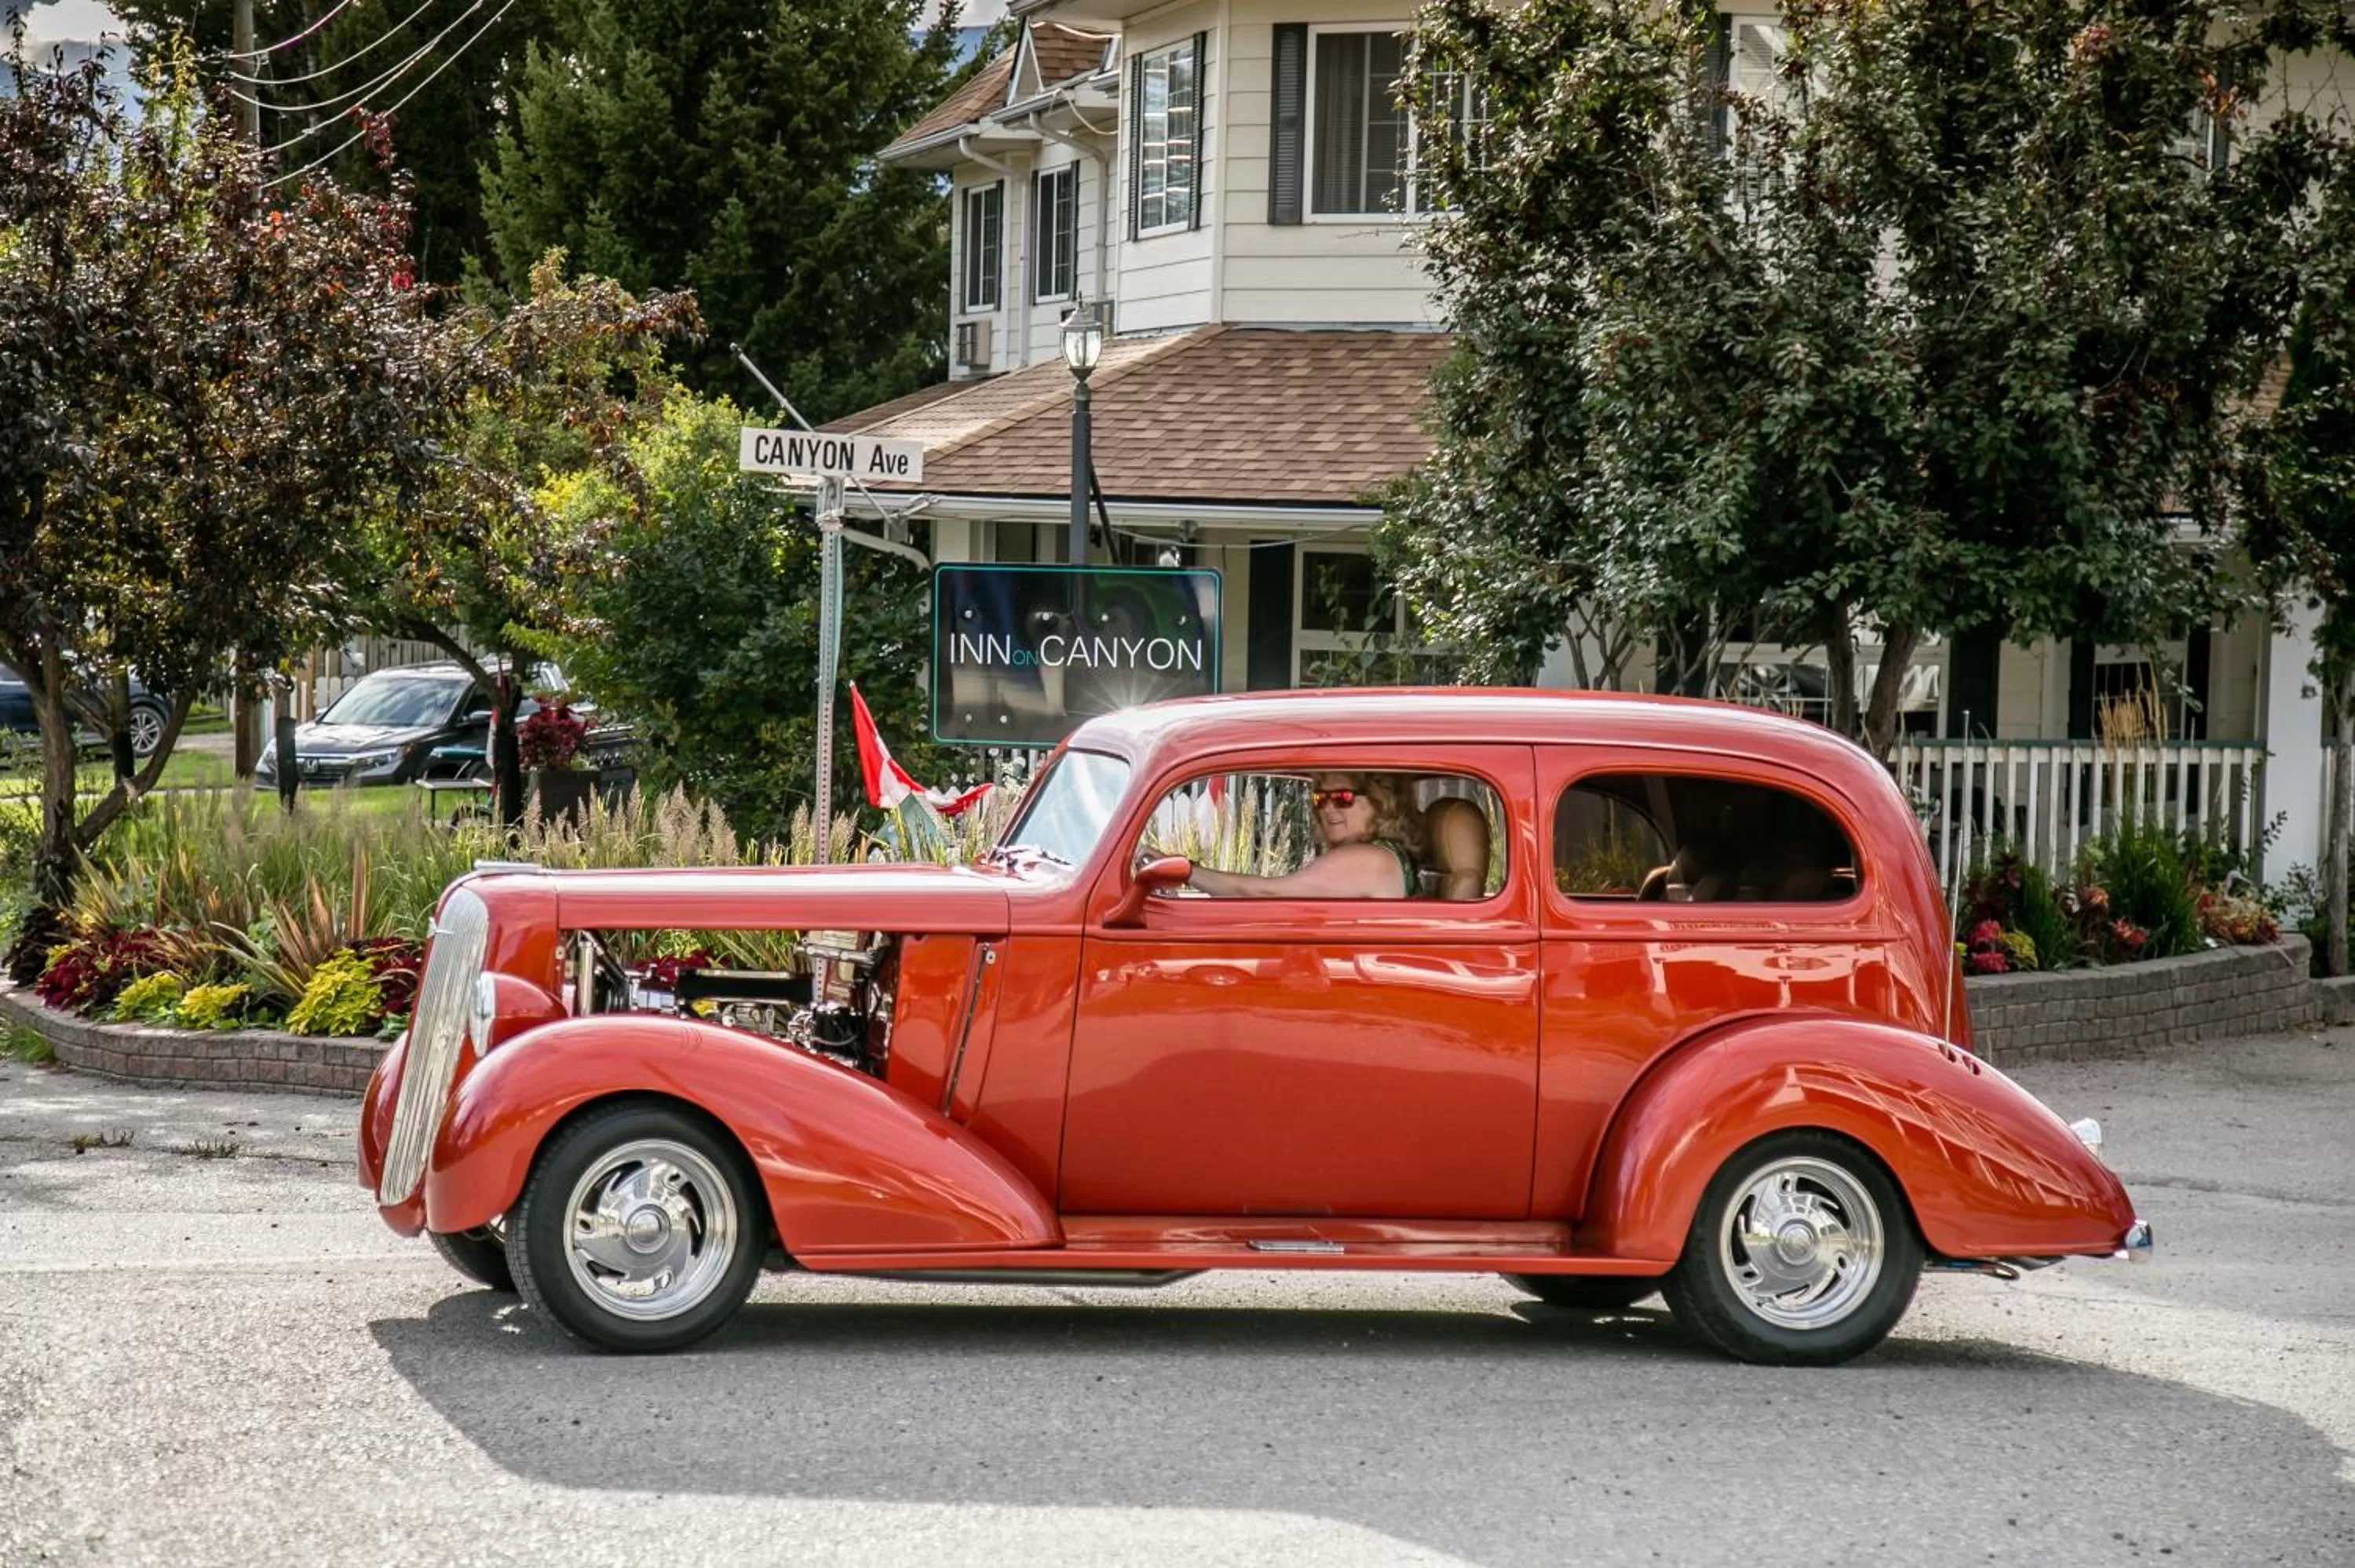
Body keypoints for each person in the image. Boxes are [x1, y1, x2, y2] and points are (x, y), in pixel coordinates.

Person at [1178, 773, 1422, 899]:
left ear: (1380, 803)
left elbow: (1264, 894)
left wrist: (1186, 871)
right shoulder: (1389, 854)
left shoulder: (1368, 859)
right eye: (1320, 798)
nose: (1327, 808)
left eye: (1342, 798)